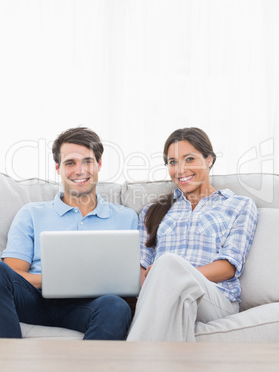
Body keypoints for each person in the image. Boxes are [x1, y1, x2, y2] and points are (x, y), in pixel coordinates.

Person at [0, 126, 138, 339]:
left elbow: (130, 279)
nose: (80, 170)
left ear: (99, 164)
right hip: (34, 301)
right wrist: (52, 279)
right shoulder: (31, 213)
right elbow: (11, 275)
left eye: (87, 161)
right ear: (58, 168)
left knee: (116, 306)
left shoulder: (126, 218)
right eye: (70, 163)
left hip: (90, 306)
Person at [127, 127, 258, 341]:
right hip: (163, 294)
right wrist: (165, 280)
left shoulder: (239, 205)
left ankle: (132, 358)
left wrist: (175, 275)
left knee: (169, 265)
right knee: (179, 295)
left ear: (209, 159)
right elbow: (142, 266)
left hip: (215, 298)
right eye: (172, 162)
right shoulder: (152, 211)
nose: (180, 169)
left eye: (189, 159)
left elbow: (229, 266)